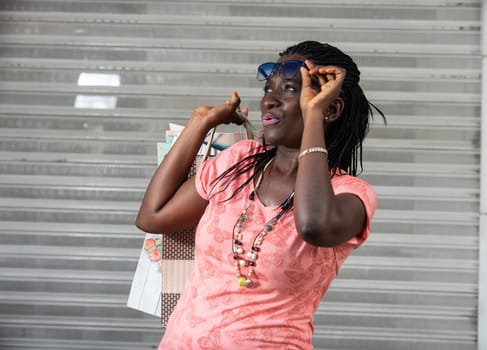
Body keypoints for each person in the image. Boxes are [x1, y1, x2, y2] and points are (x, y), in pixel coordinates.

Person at [136, 40, 385, 349]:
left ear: (330, 107)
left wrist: (313, 113)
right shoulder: (237, 162)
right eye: (269, 89)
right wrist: (199, 122)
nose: (270, 100)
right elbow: (153, 216)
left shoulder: (349, 195)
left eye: (291, 90)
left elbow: (313, 226)